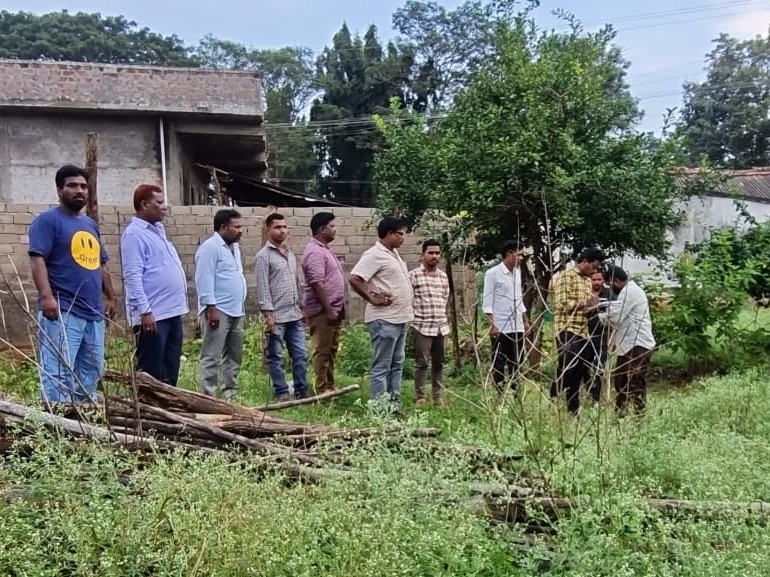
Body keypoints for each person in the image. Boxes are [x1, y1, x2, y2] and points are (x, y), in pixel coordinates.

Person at [28, 164, 117, 405]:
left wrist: (110, 296)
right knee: (58, 368)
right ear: (59, 189)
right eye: (72, 186)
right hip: (62, 309)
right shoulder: (47, 221)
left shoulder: (90, 225)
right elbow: (38, 259)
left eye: (83, 186)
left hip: (93, 312)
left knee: (93, 367)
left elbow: (100, 263)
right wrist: (46, 297)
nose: (79, 191)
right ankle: (57, 420)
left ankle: (81, 417)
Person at [120, 184, 188, 386]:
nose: (164, 207)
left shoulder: (158, 231)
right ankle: (148, 411)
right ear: (143, 204)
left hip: (172, 311)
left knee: (170, 367)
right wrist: (145, 310)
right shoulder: (134, 234)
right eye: (158, 203)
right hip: (153, 315)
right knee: (151, 371)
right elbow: (132, 276)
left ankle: (169, 409)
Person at [349, 216, 414, 409]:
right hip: (384, 319)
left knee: (397, 363)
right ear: (389, 234)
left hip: (400, 317)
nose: (403, 238)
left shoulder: (394, 254)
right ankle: (379, 408)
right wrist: (371, 297)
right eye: (400, 234)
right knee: (382, 366)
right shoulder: (374, 254)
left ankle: (394, 405)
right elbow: (355, 278)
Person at [255, 213, 309, 402]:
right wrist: (268, 314)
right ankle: (282, 392)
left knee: (301, 355)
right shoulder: (263, 256)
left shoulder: (289, 254)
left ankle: (302, 390)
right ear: (268, 229)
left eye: (285, 227)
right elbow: (262, 287)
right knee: (275, 357)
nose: (283, 231)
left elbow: (297, 282)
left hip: (294, 314)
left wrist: (302, 308)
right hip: (276, 316)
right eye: (278, 227)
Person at [194, 209, 247, 400]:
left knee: (234, 354)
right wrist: (211, 307)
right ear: (223, 227)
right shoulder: (210, 247)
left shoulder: (234, 248)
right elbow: (203, 279)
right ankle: (208, 396)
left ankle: (230, 392)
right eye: (236, 227)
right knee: (212, 355)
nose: (240, 230)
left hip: (236, 310)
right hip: (218, 310)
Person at [549, 247, 605, 415]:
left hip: (583, 330)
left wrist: (595, 306)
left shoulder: (587, 281)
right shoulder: (567, 276)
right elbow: (561, 304)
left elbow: (586, 306)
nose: (594, 272)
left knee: (581, 371)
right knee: (569, 366)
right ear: (584, 262)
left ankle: (573, 408)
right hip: (567, 329)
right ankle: (555, 395)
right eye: (593, 267)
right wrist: (584, 303)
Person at [301, 212, 346, 394]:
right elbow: (316, 282)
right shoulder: (314, 252)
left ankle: (330, 385)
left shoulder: (324, 249)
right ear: (322, 229)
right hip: (322, 311)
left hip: (333, 308)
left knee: (331, 349)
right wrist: (328, 309)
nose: (335, 229)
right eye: (332, 226)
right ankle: (321, 389)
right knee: (322, 350)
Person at [602, 265, 656, 414]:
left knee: (635, 381)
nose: (610, 288)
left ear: (617, 281)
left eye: (610, 284)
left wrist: (598, 312)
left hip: (638, 344)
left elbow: (616, 317)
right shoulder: (627, 292)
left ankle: (639, 415)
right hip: (628, 345)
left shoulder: (630, 292)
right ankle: (620, 415)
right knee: (621, 382)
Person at [482, 240, 531, 394]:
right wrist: (492, 324)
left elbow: (518, 298)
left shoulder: (517, 273)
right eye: (519, 254)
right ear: (509, 254)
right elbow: (487, 302)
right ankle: (500, 394)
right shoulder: (493, 274)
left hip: (517, 325)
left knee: (516, 362)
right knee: (499, 362)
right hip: (501, 326)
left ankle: (516, 393)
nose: (522, 258)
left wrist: (525, 320)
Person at [409, 239, 450, 407]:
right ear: (422, 255)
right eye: (430, 253)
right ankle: (420, 396)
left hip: (441, 326)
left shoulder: (443, 276)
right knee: (422, 362)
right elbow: (409, 299)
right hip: (422, 326)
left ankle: (437, 396)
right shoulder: (413, 275)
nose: (434, 256)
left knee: (439, 362)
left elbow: (445, 298)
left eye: (437, 253)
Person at [585, 270, 612, 403]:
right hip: (584, 334)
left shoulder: (608, 294)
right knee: (584, 366)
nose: (596, 282)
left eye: (599, 279)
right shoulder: (584, 293)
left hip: (602, 335)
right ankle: (589, 391)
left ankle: (596, 399)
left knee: (599, 366)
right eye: (593, 279)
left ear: (603, 280)